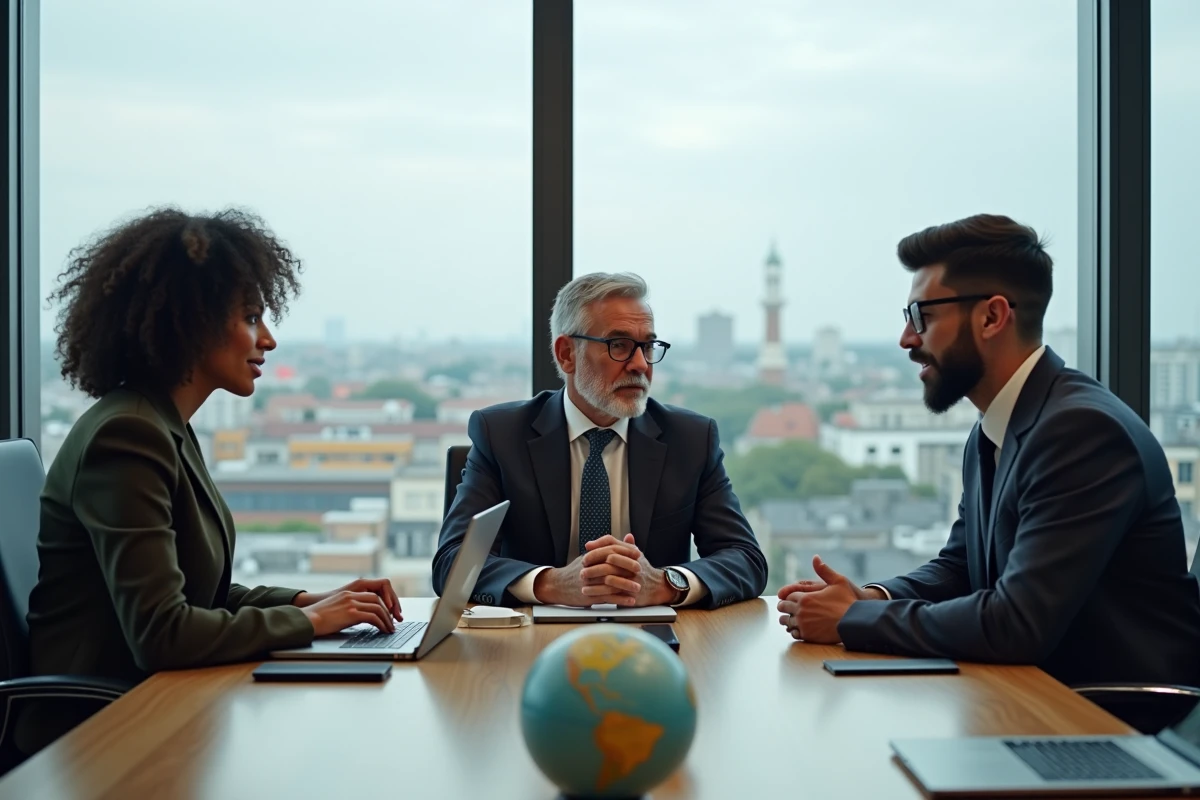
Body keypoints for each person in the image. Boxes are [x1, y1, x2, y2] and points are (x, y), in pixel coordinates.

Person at [21, 208, 403, 751]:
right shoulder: (127, 434)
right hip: (102, 733)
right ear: (189, 322)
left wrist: (309, 601)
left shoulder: (161, 424)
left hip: (159, 706)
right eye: (250, 318)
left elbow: (202, 594)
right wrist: (314, 621)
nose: (267, 339)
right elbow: (163, 633)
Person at [777, 213, 1200, 687]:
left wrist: (851, 619)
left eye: (923, 316)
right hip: (1034, 698)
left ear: (993, 317)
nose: (906, 339)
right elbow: (960, 567)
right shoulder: (1000, 424)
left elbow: (1016, 623)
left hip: (1115, 723)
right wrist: (870, 598)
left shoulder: (1082, 431)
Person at [433, 272, 767, 609]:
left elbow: (745, 558)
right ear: (566, 354)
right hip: (531, 640)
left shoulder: (691, 439)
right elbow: (453, 564)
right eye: (618, 345)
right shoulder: (502, 434)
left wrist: (667, 585)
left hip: (654, 640)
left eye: (648, 346)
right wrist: (551, 583)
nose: (640, 364)